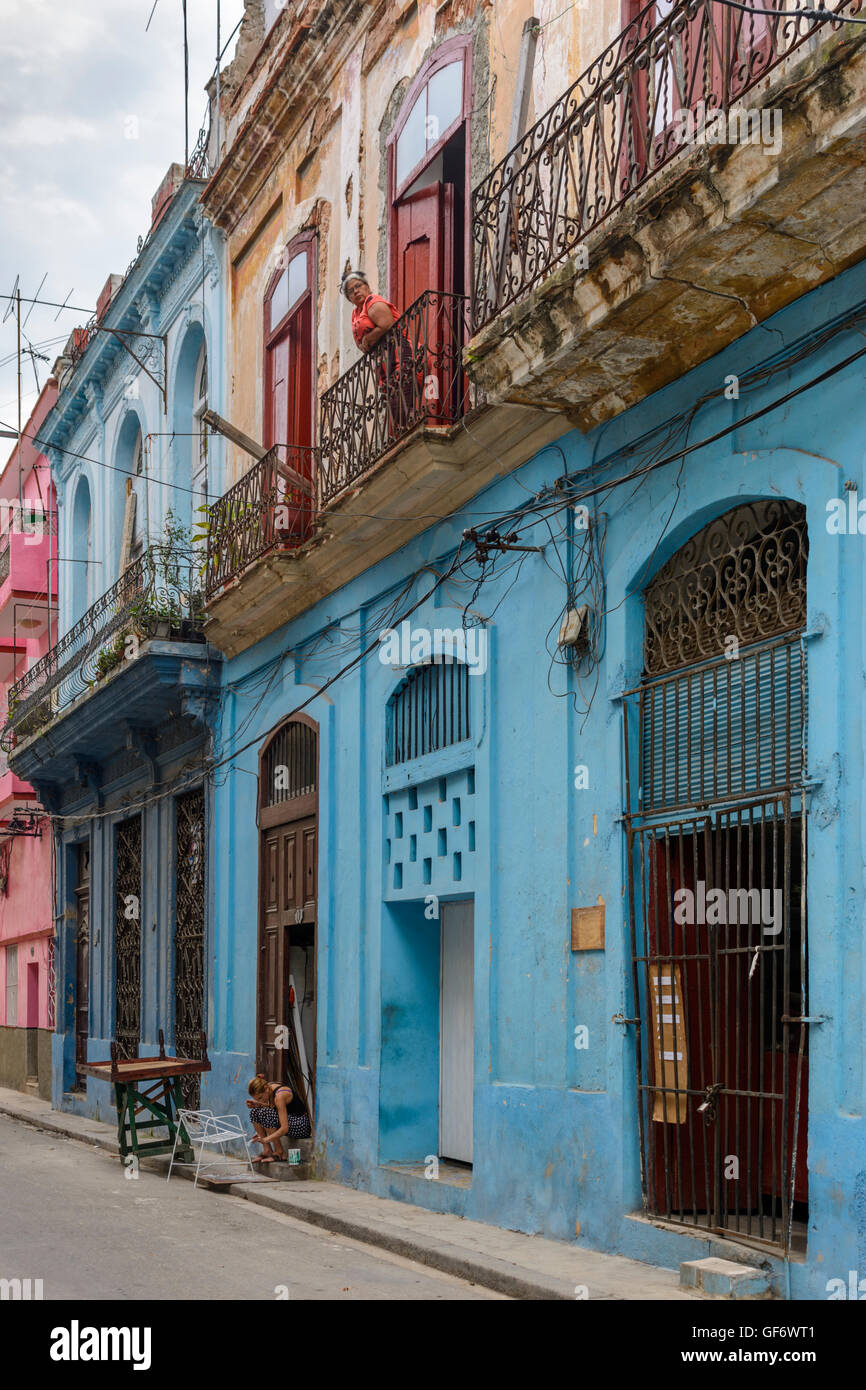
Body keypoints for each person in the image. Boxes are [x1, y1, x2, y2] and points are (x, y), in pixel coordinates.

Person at [341, 271, 417, 443]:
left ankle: (412, 427)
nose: (356, 292)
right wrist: (365, 343)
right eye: (351, 291)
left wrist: (369, 338)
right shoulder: (356, 314)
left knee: (402, 392)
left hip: (399, 354)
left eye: (358, 286)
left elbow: (386, 324)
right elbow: (360, 343)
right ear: (349, 299)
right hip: (383, 363)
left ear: (367, 286)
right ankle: (406, 432)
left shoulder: (373, 302)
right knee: (393, 399)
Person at [246, 1073, 311, 1164]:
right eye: (257, 1099)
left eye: (260, 1097)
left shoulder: (280, 1096)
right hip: (290, 1120)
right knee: (254, 1111)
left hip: (301, 1126)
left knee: (265, 1112)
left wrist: (266, 1139)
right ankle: (267, 1150)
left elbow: (284, 1128)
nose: (260, 1100)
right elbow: (273, 1107)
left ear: (266, 1088)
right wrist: (258, 1104)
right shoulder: (270, 1087)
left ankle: (279, 1152)